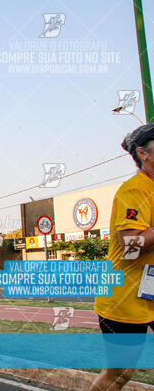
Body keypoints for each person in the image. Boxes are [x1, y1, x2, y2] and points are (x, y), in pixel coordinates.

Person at [91, 124, 154, 391]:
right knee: (121, 373)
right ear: (143, 153)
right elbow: (130, 245)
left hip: (150, 288)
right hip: (125, 295)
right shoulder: (134, 191)